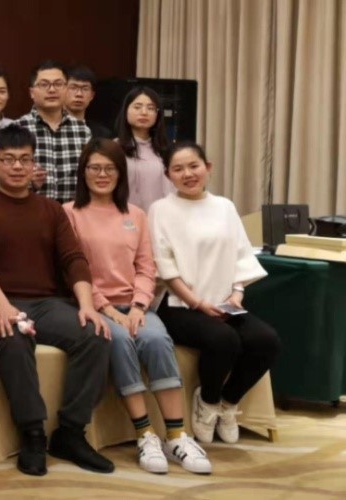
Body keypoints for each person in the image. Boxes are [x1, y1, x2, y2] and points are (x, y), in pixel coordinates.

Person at [0, 124, 112, 477]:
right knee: (13, 339)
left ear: (34, 164)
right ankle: (32, 433)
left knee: (95, 334)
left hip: (47, 303)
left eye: (25, 159)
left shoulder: (51, 210)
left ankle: (71, 433)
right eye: (8, 159)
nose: (17, 166)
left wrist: (86, 305)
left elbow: (74, 259)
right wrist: (2, 305)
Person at [63, 139, 211, 475]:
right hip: (93, 306)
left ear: (120, 173)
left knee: (157, 340)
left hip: (135, 305)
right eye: (95, 168)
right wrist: (107, 309)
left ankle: (177, 436)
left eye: (110, 168)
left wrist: (139, 306)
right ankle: (145, 434)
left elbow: (146, 267)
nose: (102, 174)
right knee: (118, 340)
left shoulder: (136, 214)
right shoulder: (69, 213)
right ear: (83, 172)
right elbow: (73, 269)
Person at [149, 142, 280, 445]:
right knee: (224, 339)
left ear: (208, 167)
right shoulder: (161, 210)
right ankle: (207, 402)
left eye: (193, 166)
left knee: (267, 341)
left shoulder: (225, 207)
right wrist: (198, 303)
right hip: (179, 304)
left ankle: (228, 403)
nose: (187, 174)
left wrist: (237, 294)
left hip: (224, 302)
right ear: (168, 175)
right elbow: (165, 267)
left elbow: (240, 254)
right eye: (178, 169)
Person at [12, 60, 92, 203]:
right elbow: (2, 179)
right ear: (32, 92)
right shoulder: (16, 129)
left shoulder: (83, 131)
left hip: (72, 213)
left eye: (58, 84)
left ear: (66, 89)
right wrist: (28, 182)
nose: (52, 90)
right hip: (30, 211)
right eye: (44, 84)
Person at [116, 87, 174, 211]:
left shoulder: (168, 150)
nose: (144, 112)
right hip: (126, 216)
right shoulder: (114, 148)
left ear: (157, 115)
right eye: (137, 107)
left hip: (161, 216)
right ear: (126, 111)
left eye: (151, 108)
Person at [64, 66, 112, 139]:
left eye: (85, 89)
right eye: (73, 88)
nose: (79, 94)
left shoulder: (102, 134)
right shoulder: (51, 127)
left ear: (92, 95)